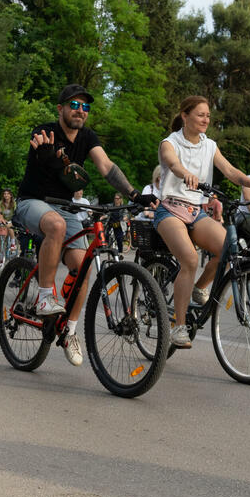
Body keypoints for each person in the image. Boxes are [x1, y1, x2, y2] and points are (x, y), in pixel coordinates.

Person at [15, 83, 157, 367]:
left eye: (86, 107)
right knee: (54, 225)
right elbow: (40, 151)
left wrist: (134, 194)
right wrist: (44, 154)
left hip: (65, 208)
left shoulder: (87, 137)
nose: (80, 111)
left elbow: (106, 167)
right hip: (33, 201)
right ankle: (44, 298)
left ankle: (69, 330)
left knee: (84, 267)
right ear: (61, 109)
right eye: (74, 105)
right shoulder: (45, 131)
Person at [154, 96, 250, 349]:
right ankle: (178, 326)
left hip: (196, 211)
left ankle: (199, 288)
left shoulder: (209, 145)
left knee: (230, 247)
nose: (206, 119)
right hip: (170, 209)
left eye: (208, 115)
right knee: (188, 259)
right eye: (200, 115)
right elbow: (173, 163)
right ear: (185, 116)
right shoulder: (170, 142)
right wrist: (184, 173)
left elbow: (231, 172)